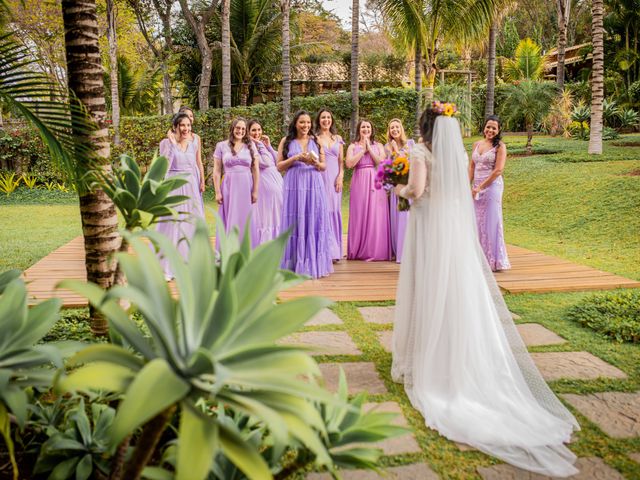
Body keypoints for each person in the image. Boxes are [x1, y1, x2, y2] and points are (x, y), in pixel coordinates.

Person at [391, 105, 579, 477]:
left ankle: (426, 359)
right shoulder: (458, 152)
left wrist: (394, 186)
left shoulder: (419, 152)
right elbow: (456, 191)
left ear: (424, 127)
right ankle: (454, 355)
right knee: (454, 292)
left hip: (428, 227)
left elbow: (416, 189)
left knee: (427, 286)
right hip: (452, 232)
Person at [277, 110, 334, 278]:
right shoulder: (286, 141)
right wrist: (295, 158)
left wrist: (315, 162)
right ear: (295, 123)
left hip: (313, 185)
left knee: (313, 220)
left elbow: (324, 166)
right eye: (302, 122)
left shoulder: (316, 141)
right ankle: (294, 264)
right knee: (294, 221)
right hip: (294, 185)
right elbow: (279, 166)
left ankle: (312, 263)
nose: (305, 126)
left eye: (308, 123)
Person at [156, 112, 205, 280]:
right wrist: (171, 143)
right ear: (175, 127)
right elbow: (164, 166)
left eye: (188, 125)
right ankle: (167, 268)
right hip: (173, 185)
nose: (186, 129)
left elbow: (197, 165)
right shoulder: (165, 143)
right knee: (172, 225)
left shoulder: (194, 143)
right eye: (182, 125)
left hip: (190, 186)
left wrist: (201, 181)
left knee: (190, 224)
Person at [469, 115, 511, 271]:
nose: (490, 130)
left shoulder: (500, 147)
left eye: (494, 128)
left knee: (491, 221)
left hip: (492, 187)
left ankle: (495, 261)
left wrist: (481, 187)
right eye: (488, 126)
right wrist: (469, 185)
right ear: (484, 127)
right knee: (477, 221)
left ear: (498, 130)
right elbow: (472, 167)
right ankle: (479, 258)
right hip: (476, 188)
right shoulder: (476, 144)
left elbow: (498, 170)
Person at [346, 119, 391, 261]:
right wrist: (362, 151)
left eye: (368, 127)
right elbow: (349, 164)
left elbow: (381, 162)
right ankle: (358, 249)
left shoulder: (378, 145)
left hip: (375, 179)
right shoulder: (352, 146)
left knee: (375, 214)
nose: (366, 129)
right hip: (359, 179)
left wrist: (369, 149)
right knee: (360, 212)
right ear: (359, 129)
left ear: (372, 130)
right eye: (363, 127)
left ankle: (375, 250)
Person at [212, 118, 260, 247]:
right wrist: (217, 191)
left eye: (243, 129)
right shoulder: (221, 146)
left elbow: (255, 169)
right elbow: (216, 171)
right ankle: (229, 250)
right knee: (229, 218)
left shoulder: (251, 146)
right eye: (238, 128)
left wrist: (255, 190)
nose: (240, 131)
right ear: (232, 128)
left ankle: (247, 249)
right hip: (229, 187)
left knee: (246, 218)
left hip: (246, 186)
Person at [247, 119, 284, 245]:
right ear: (248, 132)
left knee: (277, 216)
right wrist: (261, 145)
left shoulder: (262, 146)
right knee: (267, 216)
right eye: (253, 130)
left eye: (259, 130)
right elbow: (265, 162)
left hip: (277, 182)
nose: (257, 133)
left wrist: (268, 146)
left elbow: (277, 160)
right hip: (264, 184)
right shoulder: (249, 147)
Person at [315, 108, 344, 261]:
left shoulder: (337, 138)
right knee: (322, 211)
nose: (326, 120)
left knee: (334, 210)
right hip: (320, 177)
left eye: (328, 117)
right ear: (318, 120)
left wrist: (340, 176)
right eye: (323, 118)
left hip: (334, 179)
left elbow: (341, 162)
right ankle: (325, 250)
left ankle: (336, 251)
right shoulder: (315, 138)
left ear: (331, 120)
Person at [384, 118, 415, 263]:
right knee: (396, 219)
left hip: (407, 185)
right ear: (389, 131)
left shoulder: (410, 144)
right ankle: (398, 251)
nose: (394, 130)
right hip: (396, 186)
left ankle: (408, 253)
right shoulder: (387, 147)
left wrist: (397, 151)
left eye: (397, 127)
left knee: (406, 218)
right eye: (392, 128)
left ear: (401, 128)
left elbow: (410, 163)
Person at [167, 106, 205, 193]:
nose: (189, 118)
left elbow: (199, 161)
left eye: (191, 116)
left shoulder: (196, 138)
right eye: (187, 115)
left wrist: (202, 181)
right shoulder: (173, 137)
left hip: (193, 172)